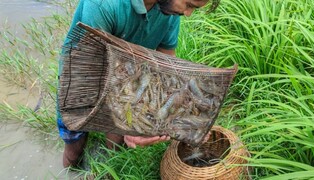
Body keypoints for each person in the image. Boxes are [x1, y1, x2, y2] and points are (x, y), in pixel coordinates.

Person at [57, 0, 218, 168]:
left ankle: (109, 170)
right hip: (82, 78)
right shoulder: (103, 4)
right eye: (189, 4)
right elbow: (93, 68)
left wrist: (183, 117)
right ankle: (71, 169)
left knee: (116, 147)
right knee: (73, 148)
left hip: (127, 77)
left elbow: (167, 68)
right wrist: (130, 119)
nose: (188, 13)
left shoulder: (169, 12)